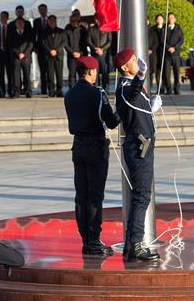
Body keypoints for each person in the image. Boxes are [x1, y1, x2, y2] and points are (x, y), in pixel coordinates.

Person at [64, 56, 120, 256]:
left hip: (77, 146)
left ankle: (86, 240)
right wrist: (121, 107)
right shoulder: (97, 94)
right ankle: (94, 241)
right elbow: (112, 122)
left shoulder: (69, 94)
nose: (96, 74)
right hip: (95, 147)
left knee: (81, 196)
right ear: (89, 72)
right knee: (95, 197)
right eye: (95, 71)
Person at [115, 48, 161, 262]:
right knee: (141, 197)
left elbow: (135, 110)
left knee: (141, 197)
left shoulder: (130, 87)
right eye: (133, 60)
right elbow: (132, 93)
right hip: (138, 147)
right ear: (125, 67)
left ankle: (130, 244)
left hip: (140, 145)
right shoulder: (126, 86)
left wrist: (151, 109)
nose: (137, 62)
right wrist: (141, 76)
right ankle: (135, 244)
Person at [41, 15, 67, 97]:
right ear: (48, 22)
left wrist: (56, 50)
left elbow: (64, 42)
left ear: (56, 21)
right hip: (49, 55)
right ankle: (51, 90)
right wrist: (50, 50)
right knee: (50, 74)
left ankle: (59, 90)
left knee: (59, 74)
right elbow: (43, 43)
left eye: (53, 21)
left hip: (58, 55)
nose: (52, 22)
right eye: (50, 21)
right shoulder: (44, 32)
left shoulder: (61, 31)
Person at [8, 17, 34, 98]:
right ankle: (17, 91)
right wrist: (18, 53)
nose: (20, 24)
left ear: (24, 24)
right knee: (16, 75)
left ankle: (28, 91)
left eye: (21, 23)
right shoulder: (12, 33)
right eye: (18, 23)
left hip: (26, 57)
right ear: (15, 24)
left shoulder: (28, 33)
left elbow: (30, 44)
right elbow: (11, 45)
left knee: (27, 74)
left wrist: (24, 53)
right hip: (16, 57)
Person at [86, 18, 112, 90]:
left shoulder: (107, 29)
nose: (98, 21)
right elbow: (88, 41)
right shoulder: (91, 29)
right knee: (95, 72)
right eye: (96, 19)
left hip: (104, 54)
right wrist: (95, 48)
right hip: (95, 54)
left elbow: (109, 41)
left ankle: (105, 87)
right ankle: (96, 87)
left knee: (105, 71)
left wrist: (102, 49)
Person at [162, 13, 184, 95]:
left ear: (175, 19)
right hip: (167, 54)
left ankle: (177, 89)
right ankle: (169, 89)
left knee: (176, 72)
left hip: (176, 54)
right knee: (167, 73)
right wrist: (168, 48)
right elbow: (162, 40)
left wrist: (175, 47)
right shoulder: (165, 28)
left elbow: (181, 40)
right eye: (169, 18)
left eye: (172, 18)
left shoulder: (178, 28)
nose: (170, 19)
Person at [64, 11, 87, 89]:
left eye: (75, 21)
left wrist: (80, 53)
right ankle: (72, 89)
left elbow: (85, 43)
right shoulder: (67, 28)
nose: (73, 23)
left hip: (81, 55)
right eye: (71, 21)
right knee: (72, 74)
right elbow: (65, 43)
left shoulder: (82, 29)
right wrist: (72, 52)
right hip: (71, 55)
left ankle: (83, 89)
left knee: (82, 74)